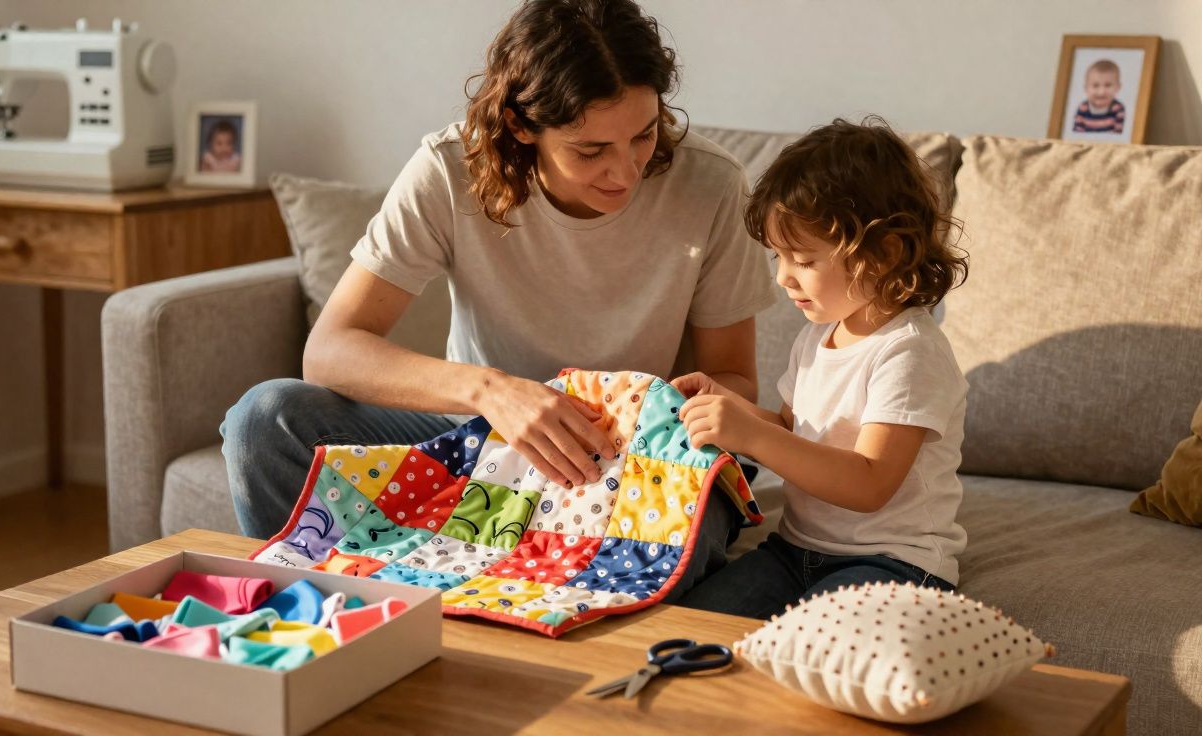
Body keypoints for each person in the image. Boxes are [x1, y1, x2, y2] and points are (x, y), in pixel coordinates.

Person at [221, 0, 773, 596]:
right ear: (519, 125)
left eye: (643, 135)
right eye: (591, 151)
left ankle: (487, 599)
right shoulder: (448, 169)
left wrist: (685, 406)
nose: (626, 170)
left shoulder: (712, 184)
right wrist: (492, 393)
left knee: (694, 525)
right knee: (263, 420)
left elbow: (735, 380)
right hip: (472, 447)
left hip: (626, 465)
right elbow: (329, 351)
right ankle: (325, 615)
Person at [672, 117, 970, 619]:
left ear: (883, 253)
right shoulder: (818, 334)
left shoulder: (910, 351)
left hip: (893, 563)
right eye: (779, 257)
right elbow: (794, 432)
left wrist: (753, 435)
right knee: (696, 624)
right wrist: (731, 409)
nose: (785, 277)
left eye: (804, 260)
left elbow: (868, 485)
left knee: (809, 647)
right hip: (795, 553)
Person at [1072, 59, 1126, 134]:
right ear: (1086, 88)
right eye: (1095, 86)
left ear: (1118, 87)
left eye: (1108, 85)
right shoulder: (1083, 108)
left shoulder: (1117, 108)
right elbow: (1077, 133)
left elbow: (1119, 133)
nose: (1101, 92)